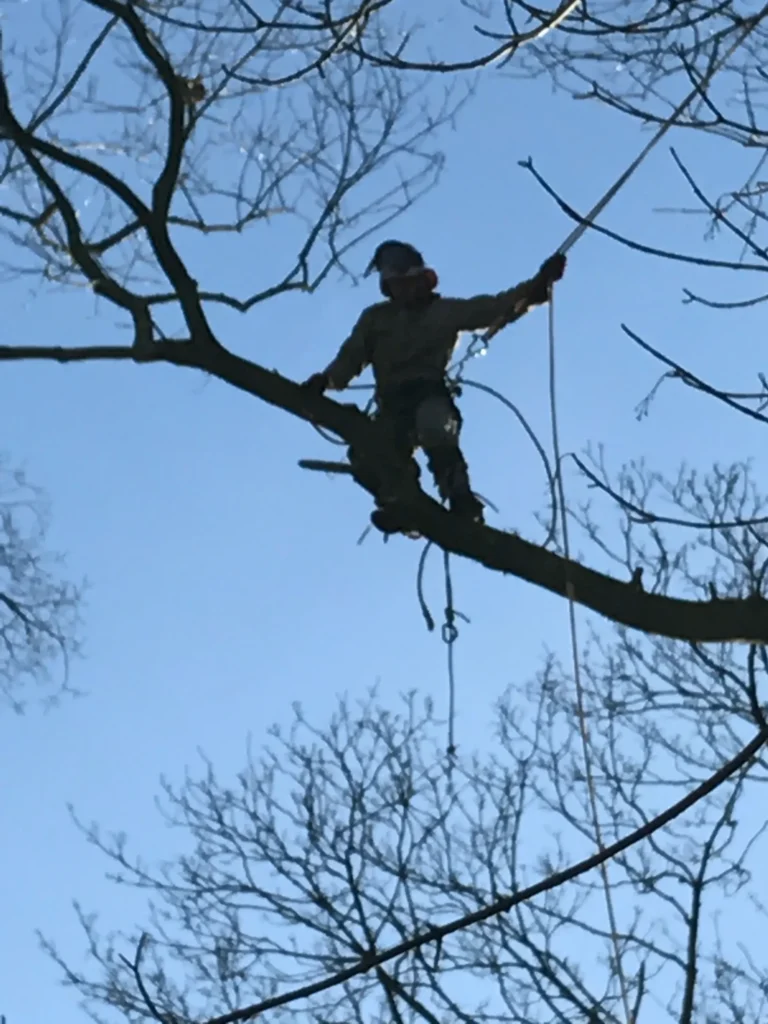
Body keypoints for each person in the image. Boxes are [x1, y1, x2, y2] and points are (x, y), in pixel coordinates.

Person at [303, 240, 566, 533]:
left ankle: (461, 501)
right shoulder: (376, 320)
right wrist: (325, 380)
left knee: (434, 424)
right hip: (391, 404)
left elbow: (494, 308)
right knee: (369, 449)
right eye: (396, 284)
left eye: (407, 282)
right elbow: (350, 357)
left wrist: (538, 285)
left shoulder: (444, 312)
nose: (403, 290)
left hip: (428, 394)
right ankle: (400, 503)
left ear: (421, 280)